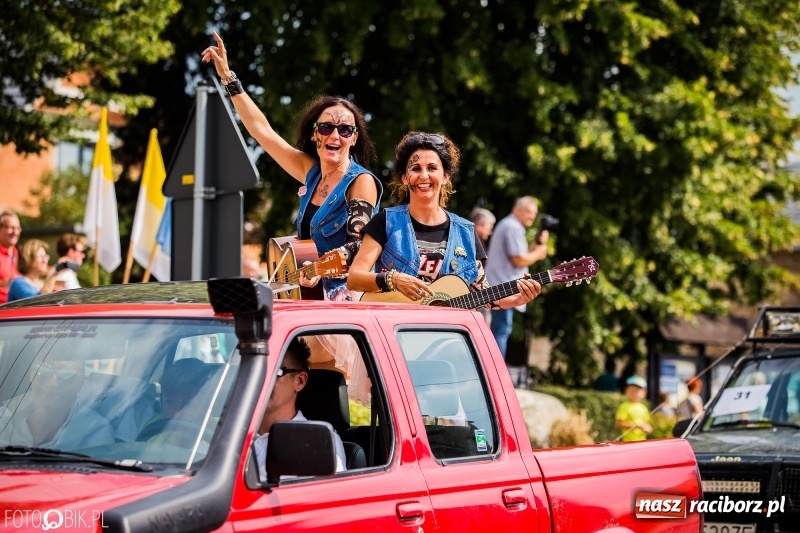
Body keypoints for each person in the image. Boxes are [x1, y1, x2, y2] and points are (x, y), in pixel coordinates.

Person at [202, 32, 383, 301]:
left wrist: (321, 269)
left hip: (346, 300)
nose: (335, 135)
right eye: (326, 127)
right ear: (314, 135)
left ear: (354, 138)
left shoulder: (360, 181)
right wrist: (229, 78)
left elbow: (359, 244)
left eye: (345, 130)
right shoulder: (311, 172)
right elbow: (261, 131)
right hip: (309, 295)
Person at [347, 132, 542, 312]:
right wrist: (393, 279)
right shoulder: (385, 222)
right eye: (416, 168)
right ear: (405, 178)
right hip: (392, 334)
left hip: (444, 340)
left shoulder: (465, 232)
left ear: (446, 176)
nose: (424, 175)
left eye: (432, 168)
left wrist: (517, 299)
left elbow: (483, 295)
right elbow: (355, 278)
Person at [253, 337, 346, 481]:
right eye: (254, 371)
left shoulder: (318, 440)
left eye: (275, 372)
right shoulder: (226, 435)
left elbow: (326, 498)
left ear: (300, 381)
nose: (261, 380)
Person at [484, 197, 549, 360]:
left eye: (534, 214)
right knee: (501, 331)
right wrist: (539, 253)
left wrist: (537, 245)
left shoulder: (510, 225)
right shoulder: (512, 226)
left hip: (500, 285)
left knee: (500, 329)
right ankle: (497, 374)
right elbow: (519, 260)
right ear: (516, 210)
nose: (532, 217)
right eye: (529, 212)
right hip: (503, 288)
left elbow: (522, 255)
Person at [0, 358, 114, 449]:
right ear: (31, 373)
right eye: (43, 370)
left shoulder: (95, 431)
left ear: (80, 383)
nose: (53, 383)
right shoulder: (3, 418)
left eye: (67, 375)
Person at [615, 375, 653, 442]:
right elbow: (619, 423)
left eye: (636, 390)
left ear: (644, 392)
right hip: (627, 443)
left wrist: (648, 429)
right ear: (626, 391)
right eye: (631, 390)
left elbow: (647, 424)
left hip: (642, 442)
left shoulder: (644, 408)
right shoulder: (624, 406)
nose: (633, 393)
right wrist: (636, 425)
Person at [0, 210, 22, 304]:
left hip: (18, 309)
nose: (15, 232)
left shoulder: (19, 253)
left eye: (18, 228)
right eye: (11, 227)